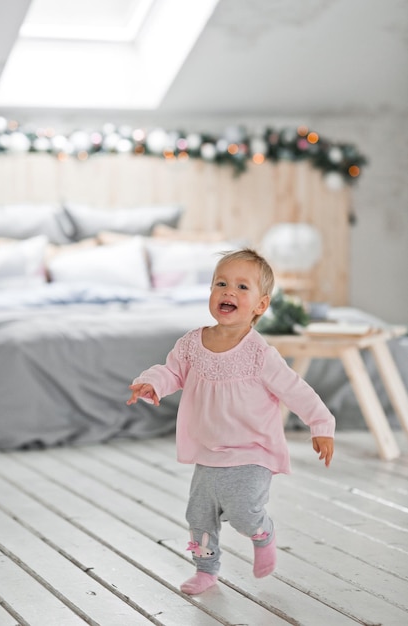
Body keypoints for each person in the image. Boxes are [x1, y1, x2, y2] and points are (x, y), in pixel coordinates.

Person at [127, 248, 335, 595]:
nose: (229, 292)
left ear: (260, 305)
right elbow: (172, 372)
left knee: (243, 511)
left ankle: (262, 532)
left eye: (242, 287)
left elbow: (296, 390)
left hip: (252, 451)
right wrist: (152, 382)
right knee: (199, 519)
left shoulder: (260, 354)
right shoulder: (192, 343)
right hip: (208, 452)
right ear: (210, 292)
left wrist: (321, 426)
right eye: (221, 283)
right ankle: (206, 570)